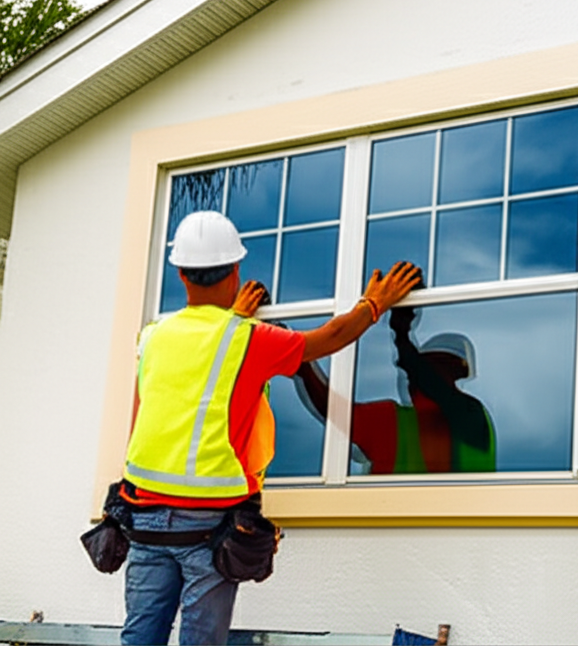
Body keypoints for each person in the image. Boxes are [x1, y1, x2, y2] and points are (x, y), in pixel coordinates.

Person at [119, 210, 421, 646]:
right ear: (235, 272)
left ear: (181, 274)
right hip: (207, 527)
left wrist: (234, 316)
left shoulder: (152, 336)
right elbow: (331, 337)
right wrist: (373, 303)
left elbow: (191, 374)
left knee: (140, 637)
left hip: (144, 517)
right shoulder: (249, 339)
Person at [292, 306, 496, 474]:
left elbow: (434, 387)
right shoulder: (392, 421)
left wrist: (402, 335)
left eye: (424, 366)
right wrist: (301, 361)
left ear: (453, 371)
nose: (409, 375)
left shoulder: (471, 415)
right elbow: (334, 410)